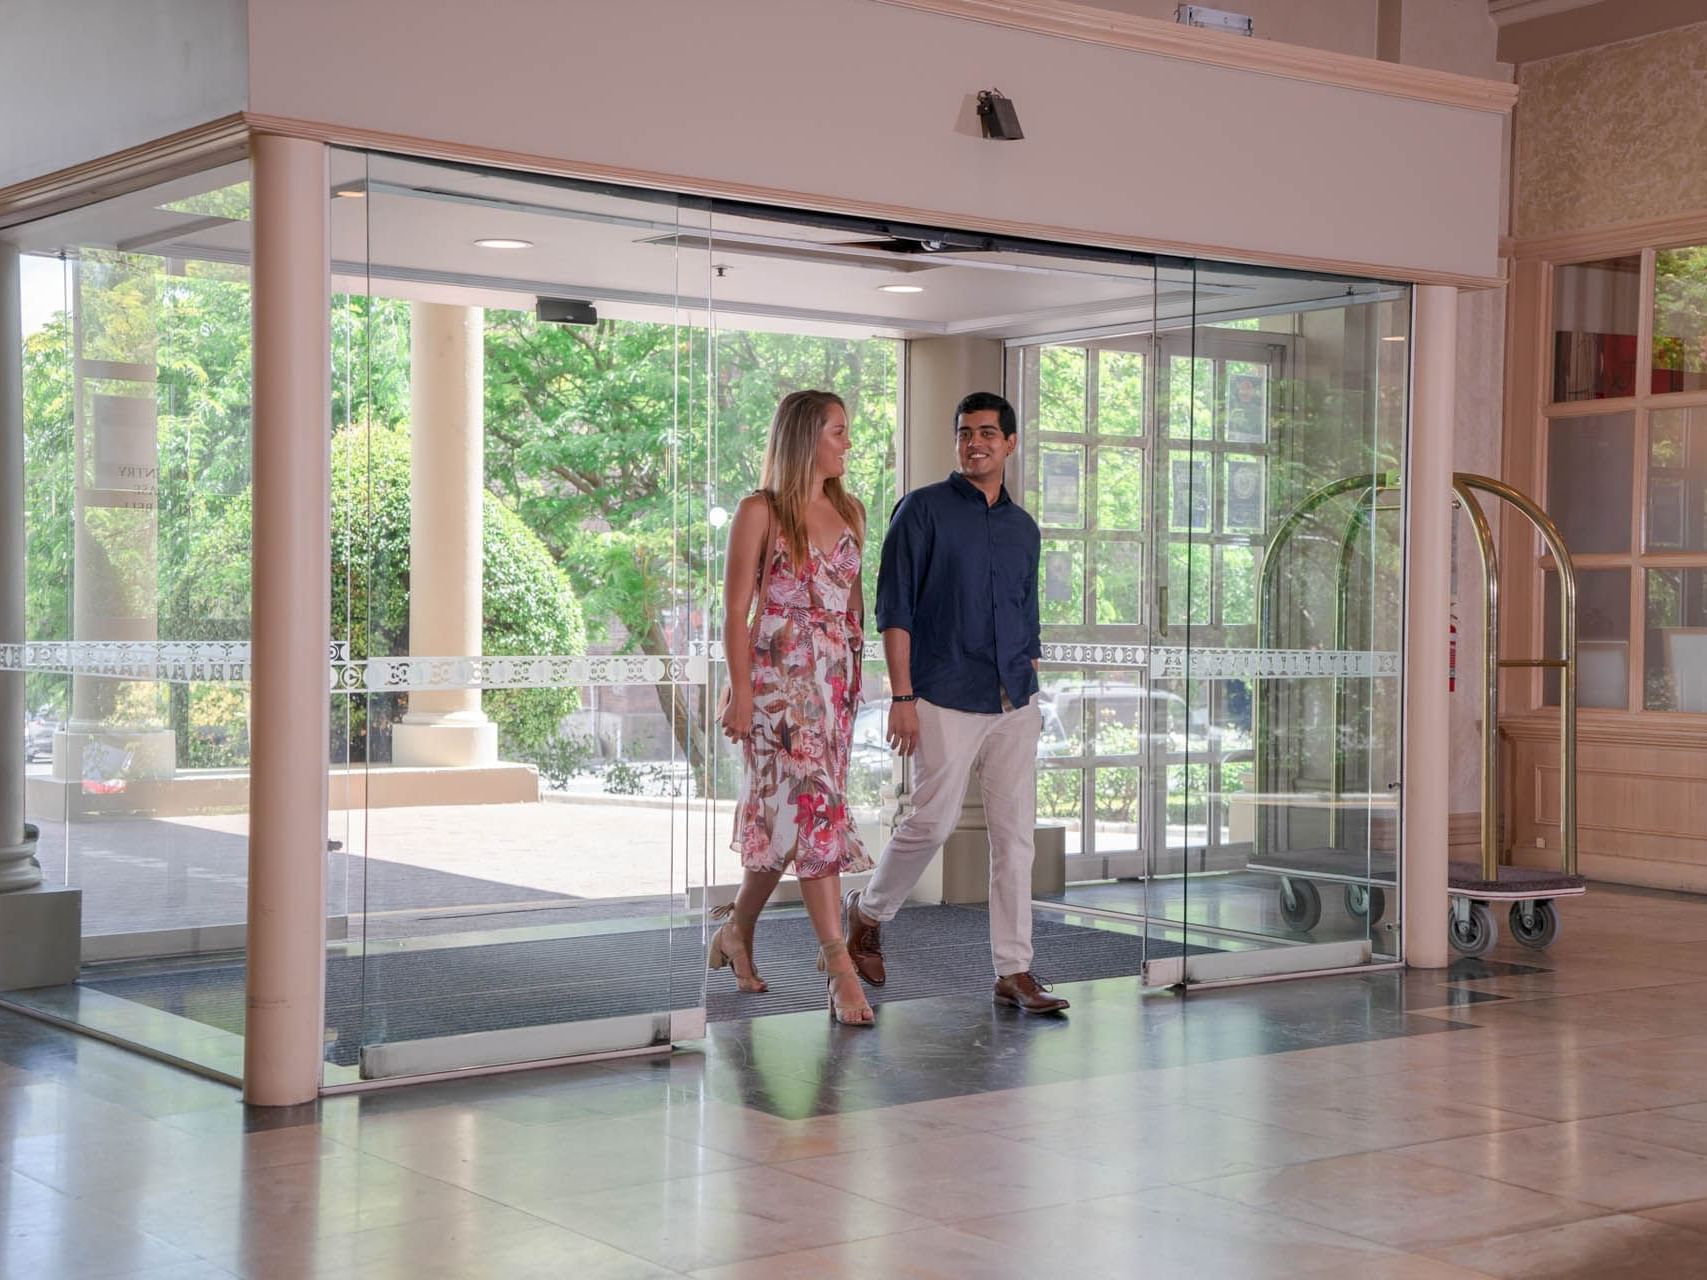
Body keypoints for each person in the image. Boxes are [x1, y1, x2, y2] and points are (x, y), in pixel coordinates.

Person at [845, 390, 1070, 1015]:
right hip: (942, 693)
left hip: (1013, 701)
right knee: (932, 821)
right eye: (966, 432)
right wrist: (902, 696)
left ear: (1011, 444)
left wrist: (1028, 666)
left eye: (988, 434)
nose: (976, 442)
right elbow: (896, 610)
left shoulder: (1025, 529)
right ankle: (867, 912)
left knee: (1014, 839)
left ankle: (1014, 970)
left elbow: (1025, 610)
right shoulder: (921, 511)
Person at [712, 389, 876, 1026]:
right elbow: (734, 611)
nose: (848, 443)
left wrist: (856, 682)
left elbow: (853, 607)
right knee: (816, 813)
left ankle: (735, 930)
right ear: (808, 435)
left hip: (835, 686)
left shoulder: (851, 510)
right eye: (839, 431)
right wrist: (743, 691)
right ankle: (839, 967)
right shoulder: (760, 511)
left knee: (789, 829)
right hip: (780, 687)